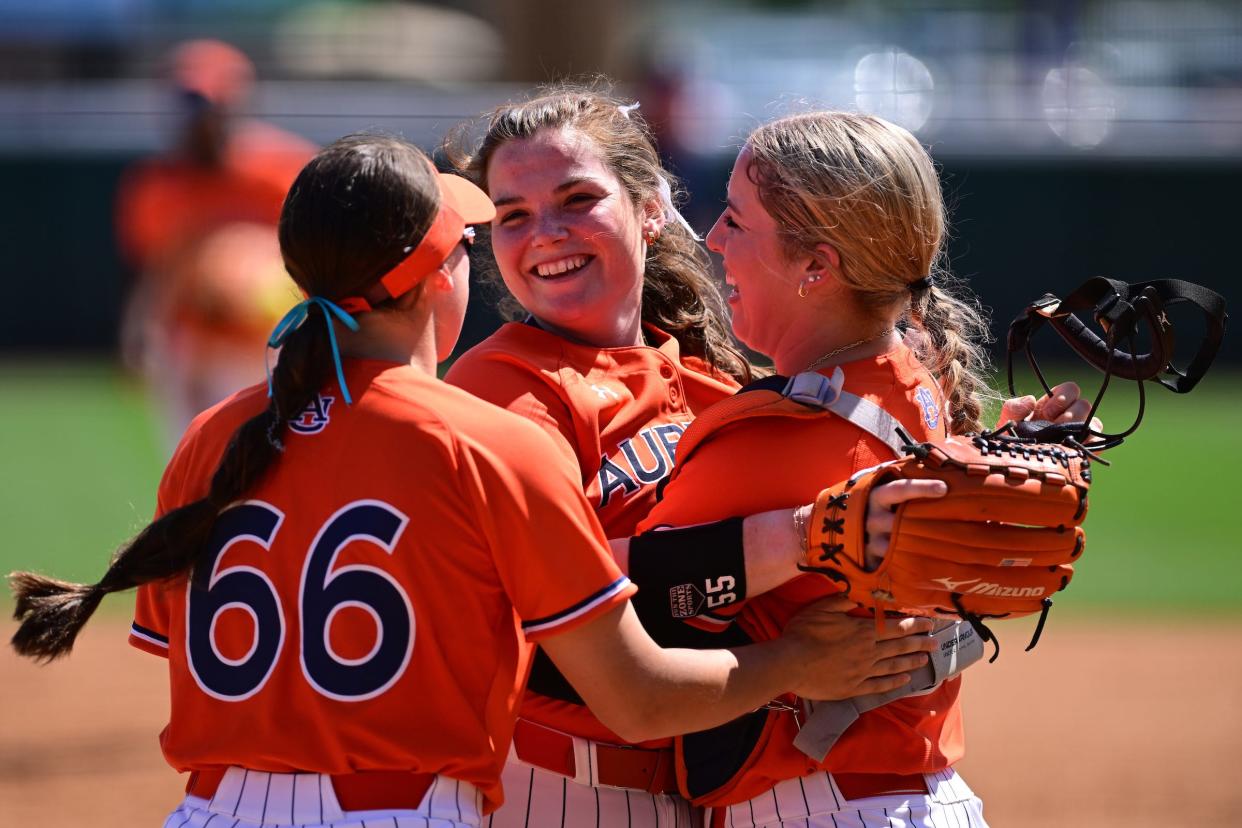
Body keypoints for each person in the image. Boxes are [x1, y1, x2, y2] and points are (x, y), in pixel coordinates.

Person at [9, 134, 938, 828]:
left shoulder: (214, 438)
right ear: (435, 277)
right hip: (403, 812)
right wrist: (797, 663)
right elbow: (640, 698)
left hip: (208, 810)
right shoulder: (485, 441)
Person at [444, 88, 1088, 827]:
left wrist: (975, 465)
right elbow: (529, 610)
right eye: (513, 214)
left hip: (720, 784)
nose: (545, 233)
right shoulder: (503, 388)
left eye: (576, 198)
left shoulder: (727, 384)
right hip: (566, 786)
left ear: (651, 209)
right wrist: (795, 590)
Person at [633, 110, 1063, 827]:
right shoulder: (920, 381)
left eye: (737, 222)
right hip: (928, 799)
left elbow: (604, 601)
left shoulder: (772, 433)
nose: (712, 240)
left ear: (815, 267)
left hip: (813, 808)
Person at [115, 38, 316, 447]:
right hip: (192, 344)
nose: (198, 123)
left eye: (209, 110)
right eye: (189, 111)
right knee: (194, 470)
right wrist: (143, 326)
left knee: (274, 469)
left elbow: (324, 259)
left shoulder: (284, 170)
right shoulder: (156, 186)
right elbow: (162, 269)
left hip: (270, 344)